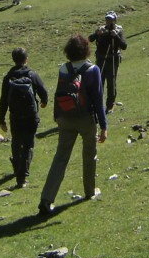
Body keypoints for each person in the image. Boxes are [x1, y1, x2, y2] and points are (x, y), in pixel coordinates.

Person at [38, 34, 107, 216]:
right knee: (89, 154)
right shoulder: (93, 70)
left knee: (60, 157)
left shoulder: (63, 68)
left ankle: (46, 198)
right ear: (86, 49)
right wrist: (104, 126)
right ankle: (89, 191)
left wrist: (57, 116)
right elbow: (98, 100)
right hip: (86, 118)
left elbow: (58, 93)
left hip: (65, 117)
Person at [0, 47, 49, 188]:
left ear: (13, 60)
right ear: (26, 59)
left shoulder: (8, 77)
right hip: (31, 116)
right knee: (28, 144)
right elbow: (43, 92)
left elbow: (3, 100)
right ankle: (22, 177)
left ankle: (17, 170)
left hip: (15, 116)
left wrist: (1, 119)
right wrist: (44, 101)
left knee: (16, 142)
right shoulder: (32, 74)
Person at [89, 11, 127, 113]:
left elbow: (124, 46)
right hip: (100, 59)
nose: (108, 21)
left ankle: (110, 105)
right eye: (107, 19)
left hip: (112, 59)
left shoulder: (118, 30)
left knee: (111, 83)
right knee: (99, 82)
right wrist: (96, 34)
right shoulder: (101, 29)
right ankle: (97, 105)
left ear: (115, 20)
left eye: (110, 19)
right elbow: (90, 39)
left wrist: (116, 36)